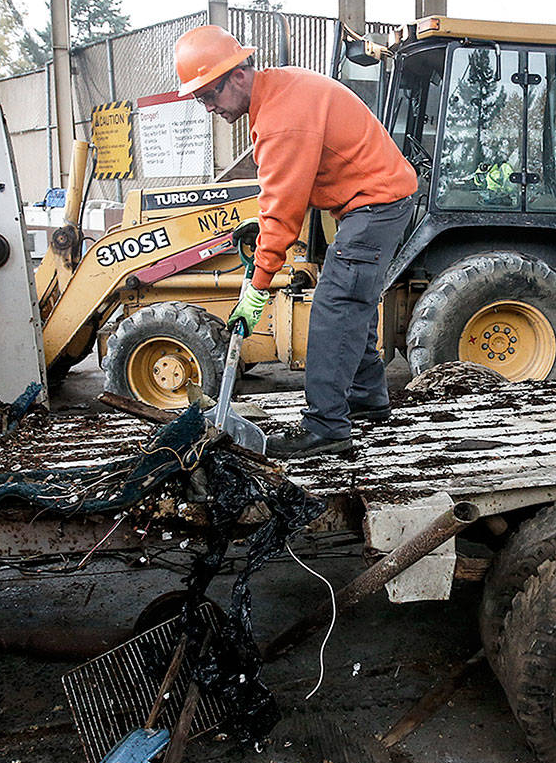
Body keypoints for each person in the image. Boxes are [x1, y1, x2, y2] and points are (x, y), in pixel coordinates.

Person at [174, 25, 418, 458]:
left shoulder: (282, 119)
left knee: (334, 308)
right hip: (373, 203)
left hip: (376, 204)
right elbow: (283, 198)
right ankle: (366, 397)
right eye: (199, 100)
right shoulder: (278, 94)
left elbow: (282, 208)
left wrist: (258, 284)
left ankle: (326, 427)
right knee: (353, 302)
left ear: (237, 75)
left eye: (208, 95)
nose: (208, 107)